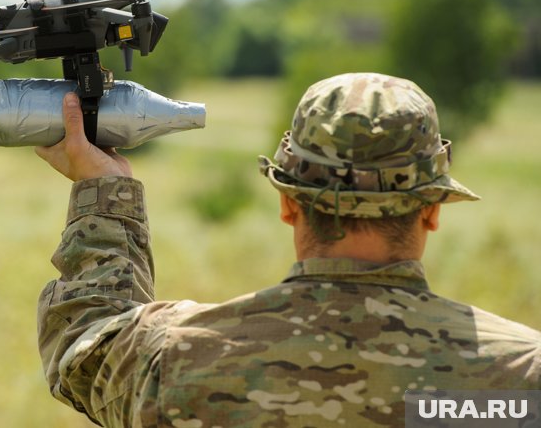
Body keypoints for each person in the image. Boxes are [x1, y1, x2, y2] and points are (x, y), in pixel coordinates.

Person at [35, 73, 540, 428]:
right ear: (431, 210)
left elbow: (85, 343)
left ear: (288, 204)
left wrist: (105, 189)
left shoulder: (180, 358)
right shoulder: (521, 376)